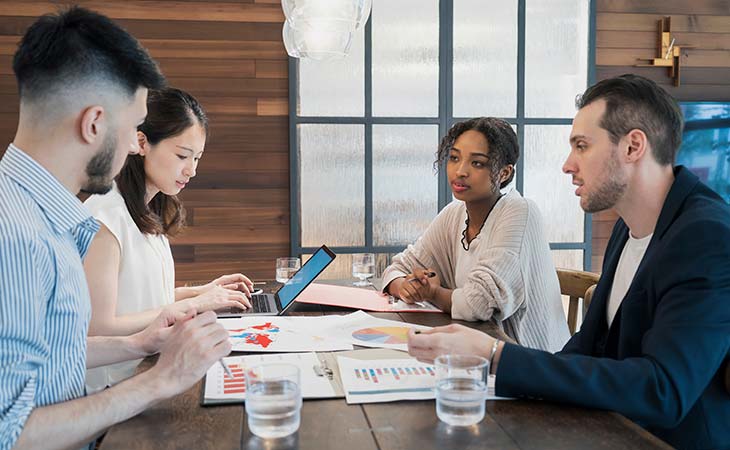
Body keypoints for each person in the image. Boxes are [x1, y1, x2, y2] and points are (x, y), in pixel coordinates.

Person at [407, 75, 730, 450]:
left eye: (582, 146)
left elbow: (663, 390)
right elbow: (588, 347)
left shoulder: (705, 236)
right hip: (608, 426)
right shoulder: (629, 228)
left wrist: (495, 355)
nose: (567, 164)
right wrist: (501, 379)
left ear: (633, 146)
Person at [0, 8, 232, 450]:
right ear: (94, 124)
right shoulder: (14, 236)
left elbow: (50, 356)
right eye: (131, 129)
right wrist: (159, 381)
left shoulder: (44, 216)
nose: (132, 145)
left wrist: (139, 342)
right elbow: (9, 435)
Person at [83, 87, 252, 390]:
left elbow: (140, 299)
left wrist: (202, 292)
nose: (192, 170)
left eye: (197, 158)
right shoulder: (105, 219)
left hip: (153, 370)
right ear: (142, 142)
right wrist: (196, 305)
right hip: (116, 389)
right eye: (182, 155)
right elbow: (98, 328)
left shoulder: (148, 210)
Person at [383, 117, 569, 352]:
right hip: (479, 355)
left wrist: (433, 293)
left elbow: (478, 304)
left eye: (477, 163)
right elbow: (398, 267)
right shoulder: (454, 214)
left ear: (504, 173)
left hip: (531, 367)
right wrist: (405, 287)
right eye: (454, 158)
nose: (460, 171)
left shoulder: (520, 212)